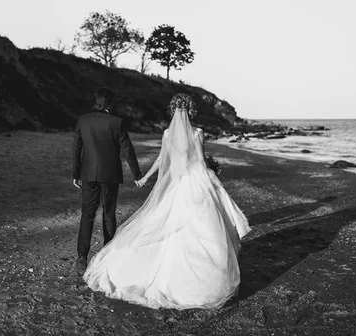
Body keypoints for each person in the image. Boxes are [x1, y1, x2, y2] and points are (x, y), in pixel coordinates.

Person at [83, 93, 251, 310]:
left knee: (168, 221)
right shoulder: (198, 132)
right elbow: (200, 161)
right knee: (202, 227)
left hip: (176, 184)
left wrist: (145, 177)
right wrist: (212, 174)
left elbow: (163, 159)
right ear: (190, 110)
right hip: (195, 181)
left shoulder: (167, 133)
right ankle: (198, 279)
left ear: (173, 110)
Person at [72, 87, 143, 273]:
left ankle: (82, 257)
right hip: (110, 175)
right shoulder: (116, 122)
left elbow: (77, 148)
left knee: (87, 214)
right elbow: (128, 149)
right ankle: (107, 255)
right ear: (109, 103)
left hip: (87, 175)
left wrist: (75, 173)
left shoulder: (83, 120)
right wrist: (137, 174)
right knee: (108, 214)